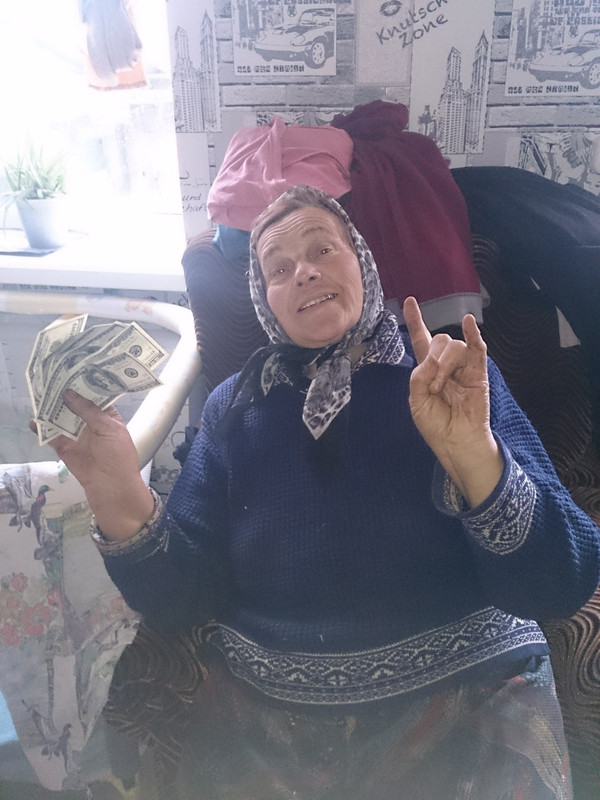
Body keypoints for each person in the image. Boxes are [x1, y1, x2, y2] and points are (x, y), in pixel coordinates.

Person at [44, 185, 600, 800]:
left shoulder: (451, 375)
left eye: (323, 250)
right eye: (278, 268)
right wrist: (120, 496)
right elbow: (183, 598)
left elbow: (562, 580)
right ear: (265, 301)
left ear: (362, 262)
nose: (303, 272)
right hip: (271, 724)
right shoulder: (234, 406)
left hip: (471, 698)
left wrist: (474, 455)